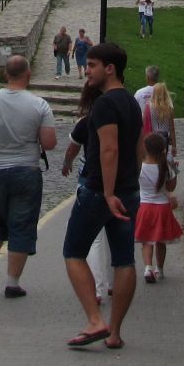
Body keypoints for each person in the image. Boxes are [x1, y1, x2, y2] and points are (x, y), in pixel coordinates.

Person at [61, 41, 144, 351]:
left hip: (100, 192)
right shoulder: (132, 102)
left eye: (92, 65)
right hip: (128, 191)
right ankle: (115, 332)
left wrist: (108, 193)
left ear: (110, 69)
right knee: (124, 260)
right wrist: (130, 184)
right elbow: (138, 148)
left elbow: (109, 149)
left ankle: (95, 320)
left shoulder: (105, 104)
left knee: (73, 252)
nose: (87, 71)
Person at [0, 54, 57, 299]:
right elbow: (49, 142)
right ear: (28, 74)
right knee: (22, 224)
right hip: (26, 171)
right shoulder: (40, 105)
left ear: (6, 74)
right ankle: (13, 283)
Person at [60, 78, 112, 301]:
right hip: (120, 181)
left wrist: (67, 163)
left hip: (92, 181)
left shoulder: (86, 122)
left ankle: (98, 287)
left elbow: (73, 148)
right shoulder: (118, 118)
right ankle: (111, 281)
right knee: (114, 234)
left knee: (95, 238)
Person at [135, 132, 182, 284]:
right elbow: (171, 187)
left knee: (147, 240)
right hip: (162, 208)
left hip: (145, 207)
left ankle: (148, 268)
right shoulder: (167, 166)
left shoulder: (140, 166)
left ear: (145, 148)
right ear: (163, 149)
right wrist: (175, 171)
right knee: (161, 240)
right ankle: (159, 269)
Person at [145, 80, 178, 166]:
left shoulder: (148, 106)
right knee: (163, 162)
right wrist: (174, 146)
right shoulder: (169, 108)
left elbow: (144, 124)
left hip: (153, 137)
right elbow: (172, 128)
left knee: (153, 161)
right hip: (164, 139)